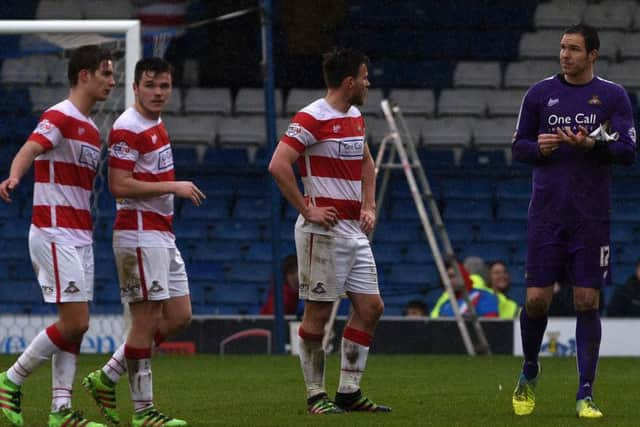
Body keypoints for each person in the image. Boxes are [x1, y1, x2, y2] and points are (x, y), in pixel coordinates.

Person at [510, 23, 636, 419]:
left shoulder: (613, 96)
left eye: (574, 49)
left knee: (587, 300)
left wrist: (591, 143)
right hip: (546, 214)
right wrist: (540, 148)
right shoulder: (539, 94)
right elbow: (518, 147)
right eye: (563, 48)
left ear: (593, 54)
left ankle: (585, 392)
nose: (565, 55)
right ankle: (530, 369)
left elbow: (629, 151)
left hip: (591, 217)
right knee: (536, 300)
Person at [80, 57, 205, 427]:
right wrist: (173, 186)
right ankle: (144, 412)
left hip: (160, 232)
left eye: (164, 86)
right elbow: (118, 184)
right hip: (138, 232)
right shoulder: (127, 127)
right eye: (150, 85)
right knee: (145, 321)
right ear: (135, 87)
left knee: (180, 315)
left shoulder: (155, 122)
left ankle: (107, 376)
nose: (158, 93)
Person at [269, 47, 390, 414]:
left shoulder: (355, 116)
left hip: (353, 230)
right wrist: (308, 208)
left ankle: (349, 392)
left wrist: (369, 204)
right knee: (318, 317)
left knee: (371, 308)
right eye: (365, 77)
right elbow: (278, 164)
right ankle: (315, 396)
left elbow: (367, 161)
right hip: (321, 234)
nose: (369, 83)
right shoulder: (311, 118)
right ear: (349, 81)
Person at [0, 45, 115, 427]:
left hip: (79, 234)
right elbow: (30, 148)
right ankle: (10, 379)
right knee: (76, 321)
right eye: (105, 73)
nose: (112, 82)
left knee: (76, 324)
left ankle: (61, 411)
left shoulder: (90, 128)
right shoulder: (59, 116)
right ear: (84, 75)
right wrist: (15, 175)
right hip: (54, 231)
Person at [430, 261, 499, 318]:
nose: (448, 281)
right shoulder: (445, 305)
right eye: (446, 277)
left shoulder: (484, 297)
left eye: (452, 276)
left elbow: (491, 326)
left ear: (464, 277)